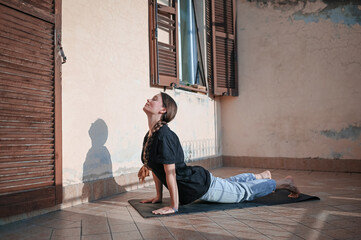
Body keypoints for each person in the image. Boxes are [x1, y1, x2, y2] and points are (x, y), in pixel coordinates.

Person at [139, 92, 300, 215]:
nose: (148, 100)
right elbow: (156, 168)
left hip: (198, 185)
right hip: (196, 182)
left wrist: (173, 206)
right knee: (230, 183)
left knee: (241, 192)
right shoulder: (151, 135)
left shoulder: (164, 135)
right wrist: (158, 196)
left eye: (154, 99)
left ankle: (283, 184)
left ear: (163, 109)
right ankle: (260, 176)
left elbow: (170, 173)